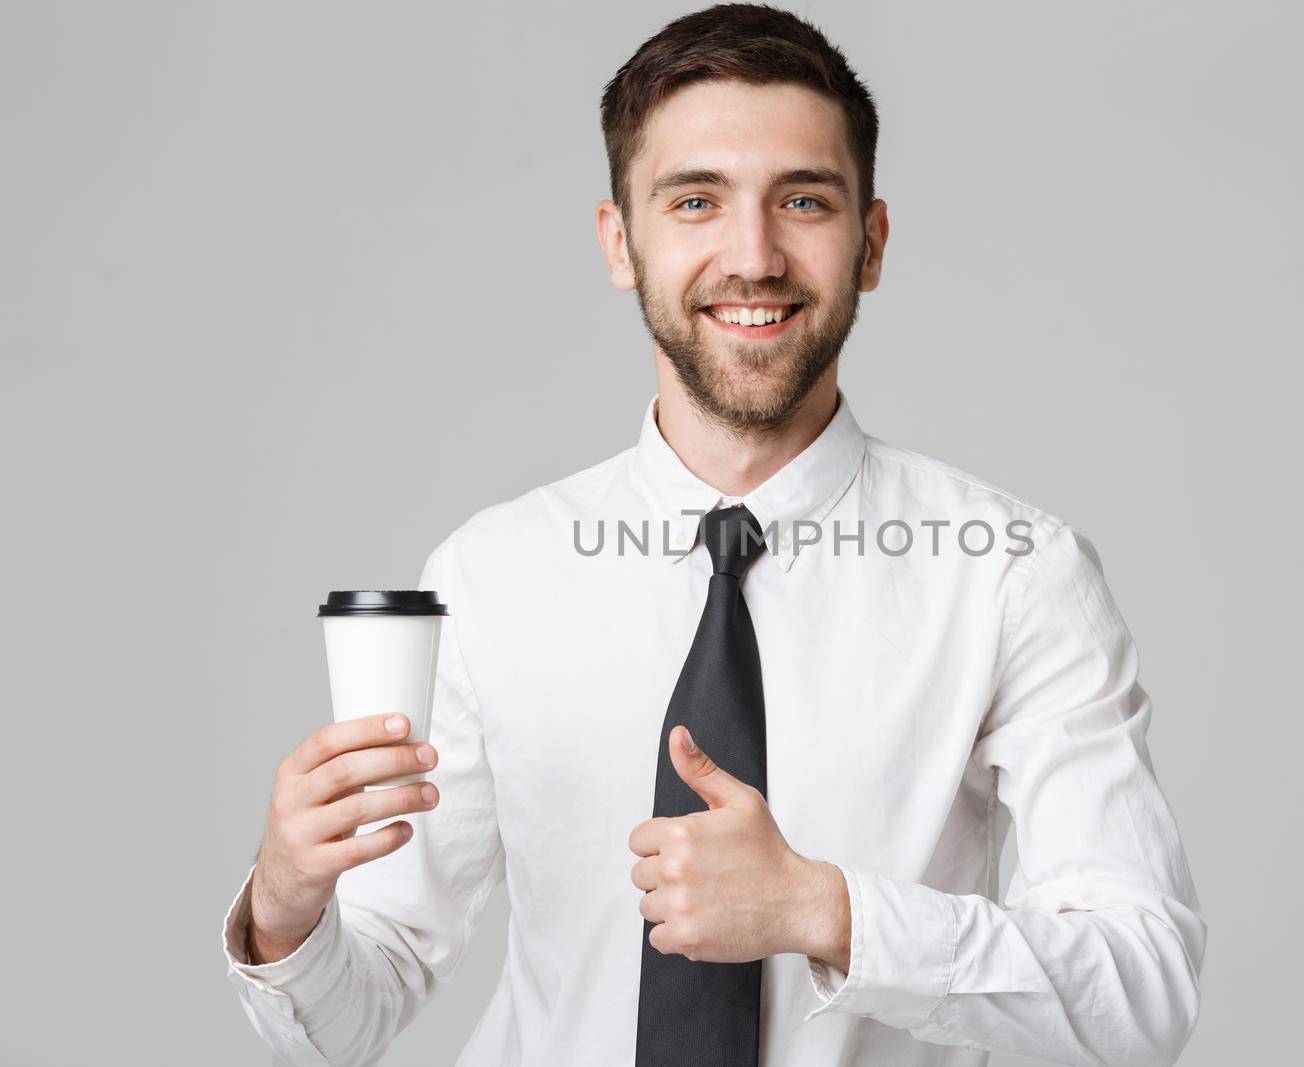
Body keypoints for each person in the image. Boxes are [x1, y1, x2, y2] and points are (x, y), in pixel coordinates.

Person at [220, 4, 1206, 1065]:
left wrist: (829, 912)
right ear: (619, 242)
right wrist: (285, 905)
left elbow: (1140, 992)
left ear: (869, 244)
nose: (753, 254)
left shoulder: (1013, 576)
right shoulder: (489, 575)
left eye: (803, 200)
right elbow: (351, 1012)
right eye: (695, 199)